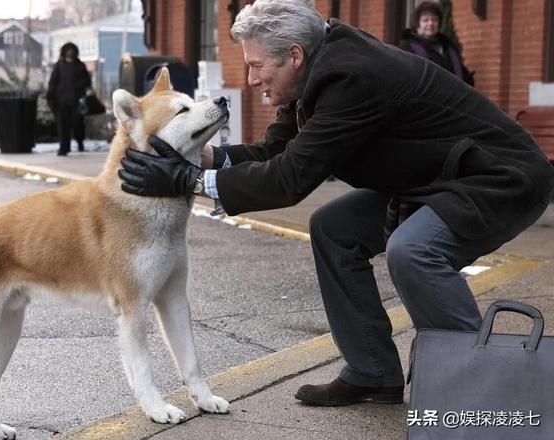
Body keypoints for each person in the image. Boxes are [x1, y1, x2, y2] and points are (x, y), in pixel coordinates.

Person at [118, 0, 554, 407]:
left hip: (498, 178)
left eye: (255, 66)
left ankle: (485, 389)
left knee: (414, 250)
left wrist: (189, 180)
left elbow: (290, 179)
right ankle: (373, 371)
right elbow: (276, 152)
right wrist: (197, 156)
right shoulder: (314, 71)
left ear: (293, 55)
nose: (251, 79)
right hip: (436, 180)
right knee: (333, 228)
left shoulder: (351, 76)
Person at [399, 1, 474, 86]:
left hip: (454, 96)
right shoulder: (408, 48)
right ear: (417, 24)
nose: (430, 24)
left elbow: (461, 73)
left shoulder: (448, 47)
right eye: (425, 20)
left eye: (434, 20)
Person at [46, 42, 91, 156]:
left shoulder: (80, 65)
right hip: (61, 101)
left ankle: (80, 142)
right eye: (68, 50)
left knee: (77, 124)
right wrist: (50, 96)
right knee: (62, 125)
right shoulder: (59, 66)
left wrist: (78, 87)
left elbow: (87, 81)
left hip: (76, 101)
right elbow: (53, 82)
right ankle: (64, 148)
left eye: (72, 50)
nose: (70, 52)